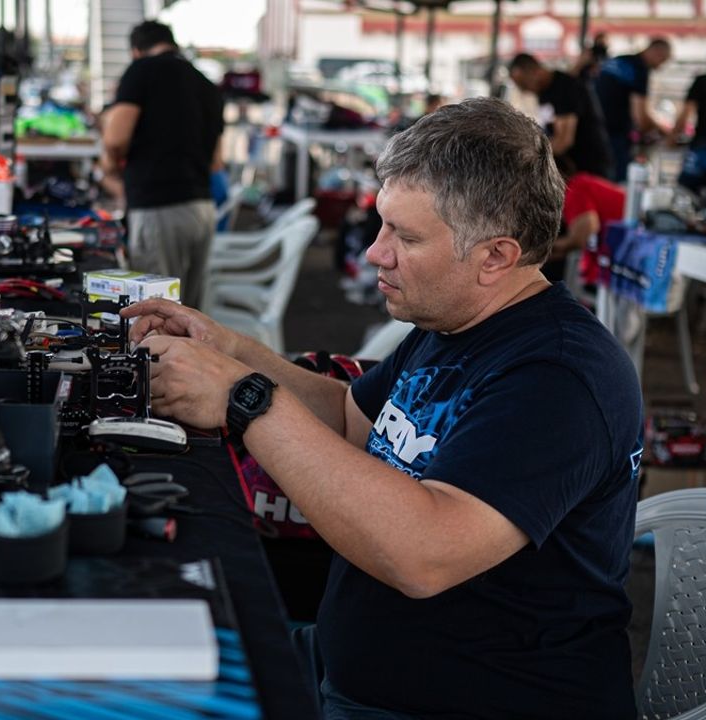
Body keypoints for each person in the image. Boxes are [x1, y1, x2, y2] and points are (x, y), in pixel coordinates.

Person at [122, 98, 643, 718]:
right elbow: (350, 417)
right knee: (127, 659)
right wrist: (229, 349)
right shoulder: (453, 320)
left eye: (406, 235)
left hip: (469, 701)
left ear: (496, 256)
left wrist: (242, 398)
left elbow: (424, 553)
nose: (375, 252)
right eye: (383, 225)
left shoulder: (559, 378)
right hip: (349, 665)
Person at [99, 20, 224, 310]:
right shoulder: (205, 84)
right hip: (202, 211)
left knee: (156, 314)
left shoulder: (141, 71)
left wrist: (110, 169)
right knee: (191, 317)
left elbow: (115, 139)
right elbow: (217, 162)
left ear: (136, 51)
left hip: (159, 210)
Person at [509, 53, 613, 178]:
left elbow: (564, 140)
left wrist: (529, 157)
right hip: (571, 168)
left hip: (590, 166)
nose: (524, 90)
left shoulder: (565, 88)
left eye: (523, 84)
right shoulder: (543, 92)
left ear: (534, 71)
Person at [596, 38, 672, 181]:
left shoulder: (618, 60)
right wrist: (663, 129)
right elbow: (641, 117)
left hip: (594, 131)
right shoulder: (639, 69)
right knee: (617, 185)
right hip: (615, 136)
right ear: (657, 52)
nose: (660, 66)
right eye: (663, 60)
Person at [550, 156, 625, 291]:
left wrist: (544, 250)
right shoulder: (581, 183)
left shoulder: (574, 189)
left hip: (626, 254)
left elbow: (584, 235)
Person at [670, 54, 706, 194]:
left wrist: (672, 138)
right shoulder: (702, 81)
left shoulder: (703, 81)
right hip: (703, 145)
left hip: (703, 147)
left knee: (686, 193)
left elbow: (686, 114)